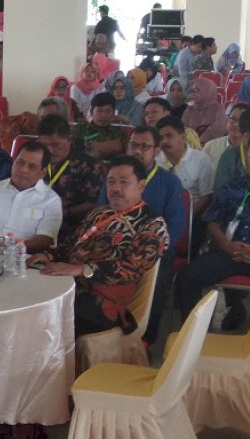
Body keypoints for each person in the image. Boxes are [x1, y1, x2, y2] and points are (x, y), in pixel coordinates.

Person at [28, 156, 168, 337]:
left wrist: (83, 269)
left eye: (124, 182)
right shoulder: (99, 213)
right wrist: (49, 255)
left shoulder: (152, 224)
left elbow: (132, 269)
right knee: (25, 291)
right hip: (68, 284)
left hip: (102, 301)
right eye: (111, 182)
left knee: (43, 313)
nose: (116, 188)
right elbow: (71, 244)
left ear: (141, 186)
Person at [175, 132, 250, 370]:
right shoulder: (230, 187)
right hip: (228, 251)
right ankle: (196, 337)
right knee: (188, 278)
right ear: (246, 154)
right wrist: (228, 246)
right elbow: (212, 224)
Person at [96, 126, 184, 346]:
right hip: (114, 244)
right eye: (133, 145)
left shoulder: (169, 182)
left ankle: (145, 338)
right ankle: (103, 330)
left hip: (154, 249)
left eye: (144, 146)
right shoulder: (115, 176)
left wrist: (146, 249)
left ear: (156, 151)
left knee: (157, 279)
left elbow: (175, 227)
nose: (137, 150)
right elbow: (100, 214)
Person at [0, 141, 62, 252]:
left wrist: (4, 244)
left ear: (43, 172)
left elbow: (44, 240)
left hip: (22, 258)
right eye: (19, 162)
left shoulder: (50, 200)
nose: (23, 170)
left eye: (31, 167)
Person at [36, 114, 103, 242]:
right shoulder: (36, 160)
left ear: (69, 139)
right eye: (45, 146)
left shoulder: (89, 165)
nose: (50, 151)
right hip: (33, 221)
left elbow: (93, 204)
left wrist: (62, 212)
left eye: (56, 145)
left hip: (69, 228)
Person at [155, 115, 214, 220]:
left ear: (182, 137)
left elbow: (206, 196)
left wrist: (185, 216)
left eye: (169, 136)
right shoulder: (154, 159)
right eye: (160, 138)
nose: (164, 141)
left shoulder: (201, 159)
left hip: (192, 215)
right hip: (159, 215)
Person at [72, 92, 127, 160]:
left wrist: (93, 146)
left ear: (113, 113)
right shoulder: (80, 128)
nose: (103, 115)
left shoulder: (117, 130)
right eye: (99, 111)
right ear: (92, 112)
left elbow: (119, 147)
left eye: (108, 111)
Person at [203, 103, 250, 168]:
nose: (236, 124)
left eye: (242, 121)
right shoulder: (211, 147)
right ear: (227, 120)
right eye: (233, 119)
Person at [182, 77, 227, 144]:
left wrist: (199, 141)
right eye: (192, 90)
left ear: (207, 90)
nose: (194, 93)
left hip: (211, 146)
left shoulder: (218, 109)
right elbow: (182, 129)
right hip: (190, 146)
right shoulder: (189, 110)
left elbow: (218, 129)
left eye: (197, 90)